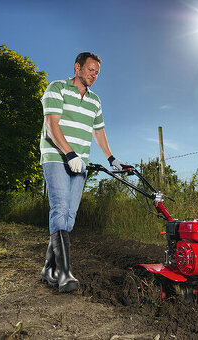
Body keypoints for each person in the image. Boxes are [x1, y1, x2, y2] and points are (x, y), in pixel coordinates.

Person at [39, 52, 128, 293]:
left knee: (70, 216)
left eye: (97, 72)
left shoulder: (95, 101)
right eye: (90, 70)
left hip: (81, 162)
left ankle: (49, 268)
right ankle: (64, 273)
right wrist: (69, 153)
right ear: (77, 67)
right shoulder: (57, 88)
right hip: (57, 157)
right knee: (60, 208)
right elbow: (51, 124)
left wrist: (111, 158)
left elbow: (98, 131)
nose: (94, 75)